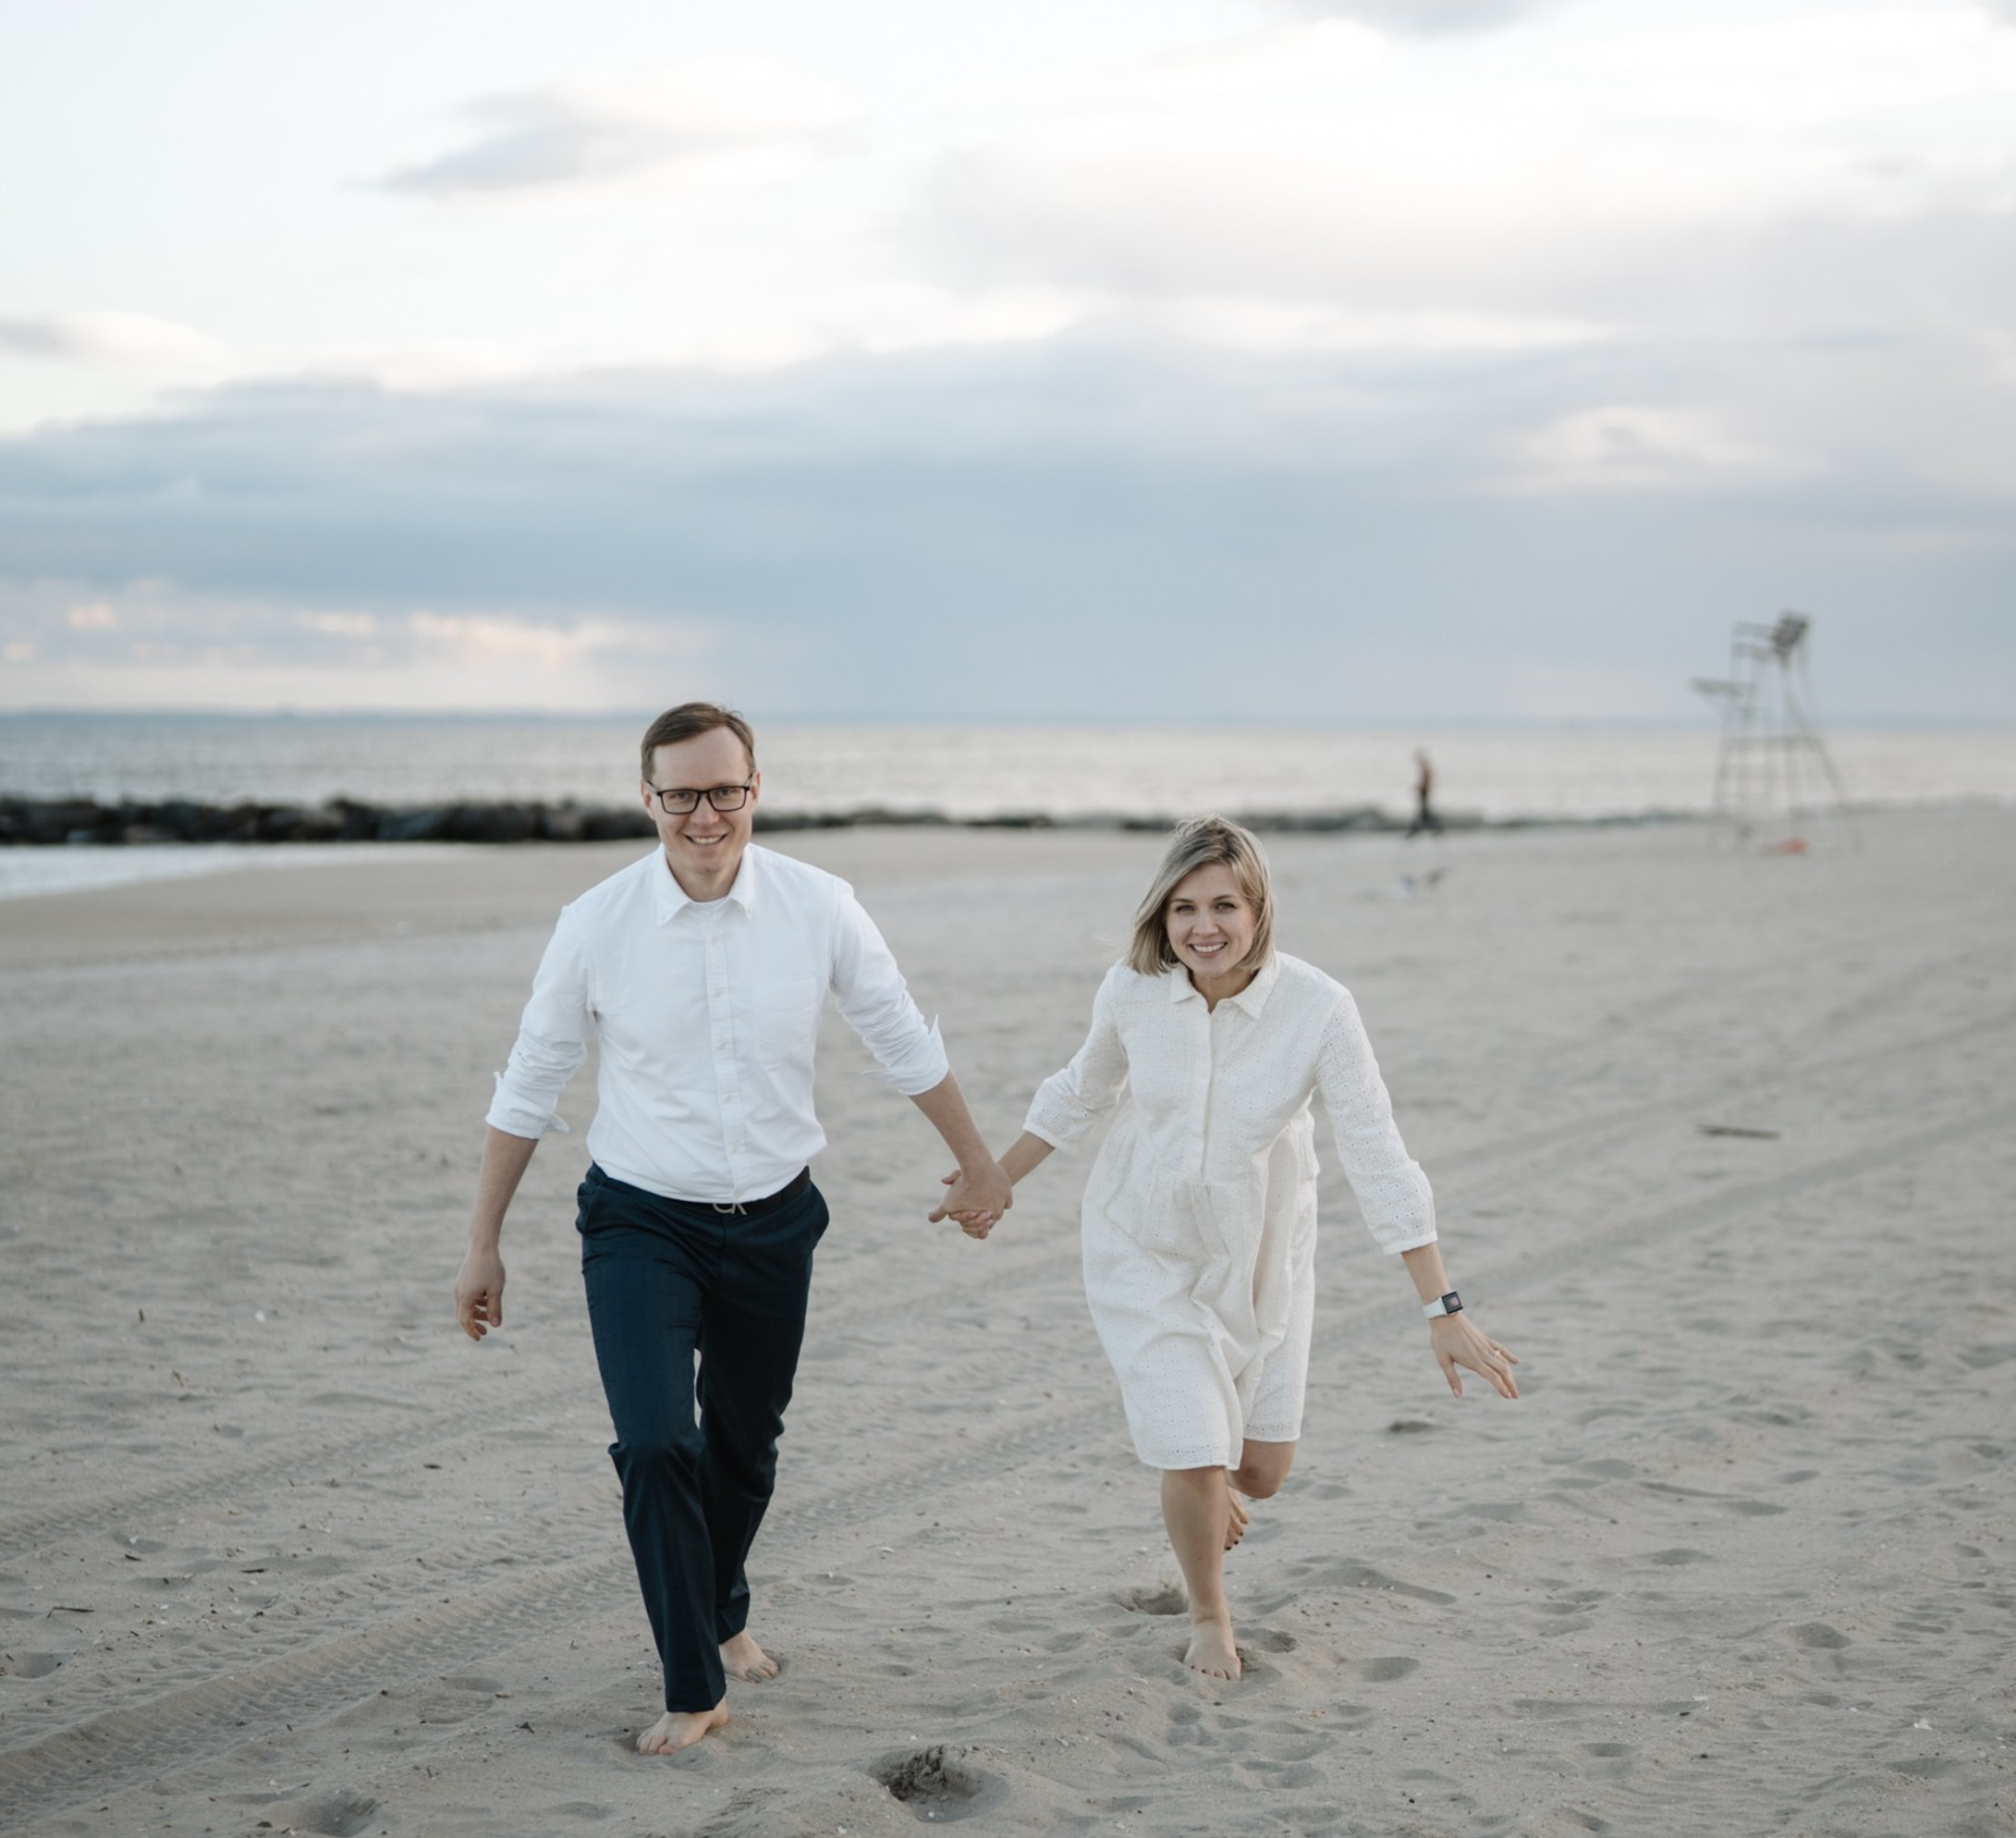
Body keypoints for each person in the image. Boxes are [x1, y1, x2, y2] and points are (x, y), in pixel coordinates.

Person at [452, 701, 1012, 1756]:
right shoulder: (595, 921)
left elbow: (897, 1033)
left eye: (723, 790)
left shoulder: (820, 905)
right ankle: (693, 1679)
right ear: (648, 799)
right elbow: (530, 1082)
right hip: (637, 1222)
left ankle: (724, 1608)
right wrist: (484, 1238)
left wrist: (978, 1159)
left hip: (773, 1220)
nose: (703, 815)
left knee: (745, 1451)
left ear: (755, 789)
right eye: (680, 795)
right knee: (659, 1443)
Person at [968, 816, 1516, 1685]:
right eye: (1183, 908)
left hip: (1263, 1263)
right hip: (1142, 1245)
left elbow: (1377, 1150)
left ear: (1260, 909)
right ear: (1161, 914)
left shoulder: (1319, 1007)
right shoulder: (1133, 990)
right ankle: (1209, 1616)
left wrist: (1441, 1306)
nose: (1202, 928)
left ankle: (1215, 1473)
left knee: (1257, 1472)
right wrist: (997, 1178)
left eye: (1224, 905)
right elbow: (1081, 1090)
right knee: (1193, 1449)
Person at [1406, 748, 1442, 839]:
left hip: (1424, 792)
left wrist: (1420, 788)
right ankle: (1418, 829)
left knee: (1425, 813)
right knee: (1424, 813)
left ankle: (1416, 830)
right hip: (1424, 791)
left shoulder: (1425, 768)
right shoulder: (1426, 768)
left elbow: (1425, 781)